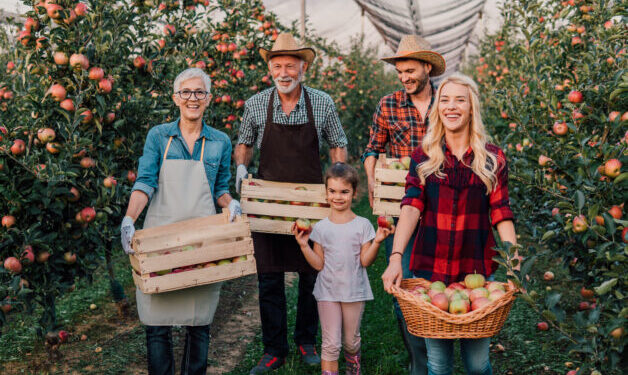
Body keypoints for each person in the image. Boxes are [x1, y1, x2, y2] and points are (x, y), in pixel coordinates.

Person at [381, 73, 520, 375]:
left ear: (472, 107)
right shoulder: (424, 156)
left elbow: (501, 212)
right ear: (437, 108)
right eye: (444, 100)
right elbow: (411, 206)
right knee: (439, 364)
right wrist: (395, 258)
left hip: (477, 274)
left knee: (476, 363)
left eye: (460, 99)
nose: (451, 106)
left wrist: (513, 263)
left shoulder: (491, 158)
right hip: (431, 273)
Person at [234, 33, 348, 374]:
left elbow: (338, 142)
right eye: (277, 66)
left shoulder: (322, 103)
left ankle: (306, 339)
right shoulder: (256, 104)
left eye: (290, 65)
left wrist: (337, 179)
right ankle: (273, 348)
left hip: (309, 202)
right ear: (270, 70)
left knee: (312, 273)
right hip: (267, 203)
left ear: (303, 68)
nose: (284, 72)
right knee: (268, 276)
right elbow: (245, 142)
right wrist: (242, 168)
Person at [119, 68, 241, 375]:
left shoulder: (220, 141)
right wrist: (130, 219)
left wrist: (232, 204)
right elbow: (145, 182)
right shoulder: (159, 136)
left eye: (199, 92)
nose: (193, 98)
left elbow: (220, 189)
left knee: (198, 321)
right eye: (186, 92)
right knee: (156, 321)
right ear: (176, 98)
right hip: (162, 238)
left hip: (202, 241)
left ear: (209, 99)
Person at [361, 34, 446, 375]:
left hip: (443, 207)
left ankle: (440, 351)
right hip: (401, 207)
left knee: (440, 283)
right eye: (400, 72)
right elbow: (372, 149)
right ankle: (419, 360)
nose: (405, 77)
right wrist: (372, 179)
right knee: (402, 282)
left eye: (410, 70)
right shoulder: (388, 104)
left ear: (427, 67)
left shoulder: (449, 101)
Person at [292, 163, 394, 375]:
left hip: (353, 292)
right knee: (330, 345)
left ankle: (352, 362)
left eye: (344, 192)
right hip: (327, 292)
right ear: (326, 192)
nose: (338, 197)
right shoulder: (320, 228)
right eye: (332, 191)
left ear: (354, 193)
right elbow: (318, 264)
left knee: (350, 341)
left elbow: (365, 261)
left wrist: (377, 241)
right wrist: (304, 245)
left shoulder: (363, 225)